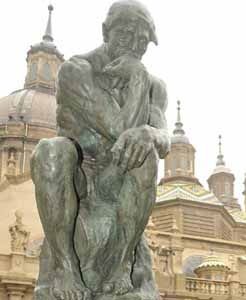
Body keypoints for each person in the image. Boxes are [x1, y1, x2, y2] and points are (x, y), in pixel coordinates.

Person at [31, 1, 168, 299]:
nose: (133, 46)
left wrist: (151, 132)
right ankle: (66, 267)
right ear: (105, 31)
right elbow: (119, 129)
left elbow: (164, 140)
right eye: (124, 36)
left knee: (146, 159)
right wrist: (139, 78)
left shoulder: (156, 86)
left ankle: (122, 263)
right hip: (80, 177)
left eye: (142, 42)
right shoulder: (76, 71)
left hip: (117, 179)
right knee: (51, 152)